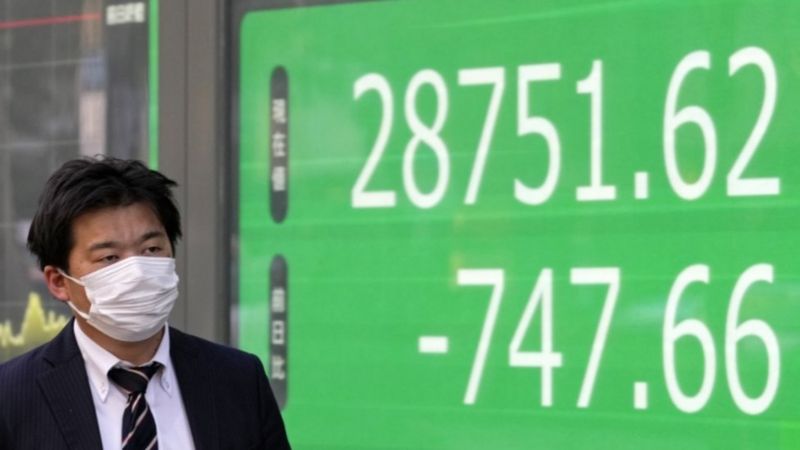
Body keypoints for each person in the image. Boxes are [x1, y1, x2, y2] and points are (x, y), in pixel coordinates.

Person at [0, 157, 291, 449]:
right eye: (109, 258)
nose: (137, 271)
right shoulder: (11, 398)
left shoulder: (239, 380)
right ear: (58, 282)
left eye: (151, 249)